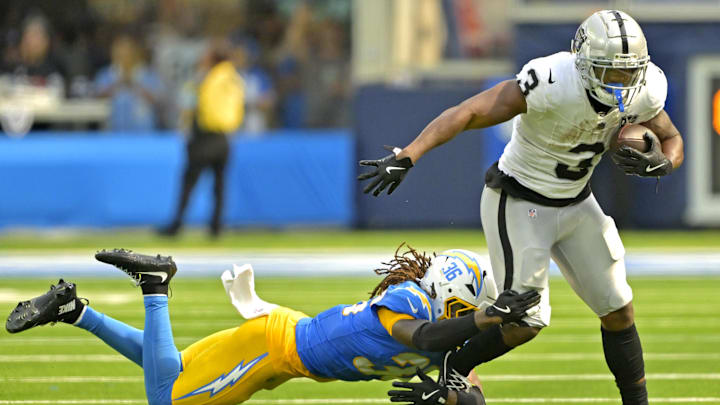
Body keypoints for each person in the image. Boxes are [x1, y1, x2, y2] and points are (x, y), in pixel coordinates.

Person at [358, 10, 684, 405]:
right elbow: (469, 112)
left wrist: (664, 162)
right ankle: (453, 370)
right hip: (519, 199)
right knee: (524, 320)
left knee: (618, 309)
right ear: (583, 64)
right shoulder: (550, 81)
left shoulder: (645, 89)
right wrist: (408, 155)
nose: (621, 85)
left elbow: (672, 139)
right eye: (610, 73)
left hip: (577, 200)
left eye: (628, 74)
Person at [5, 246, 541, 405]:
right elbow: (423, 338)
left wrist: (455, 398)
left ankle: (73, 310)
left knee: (177, 367)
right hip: (274, 348)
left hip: (283, 350)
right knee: (167, 398)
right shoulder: (409, 305)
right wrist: (484, 318)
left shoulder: (450, 334)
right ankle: (154, 285)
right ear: (455, 298)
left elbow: (470, 383)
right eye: (473, 306)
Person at [159, 41, 245, 237]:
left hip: (204, 135)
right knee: (219, 185)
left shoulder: (208, 77)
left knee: (189, 181)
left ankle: (176, 224)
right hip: (225, 137)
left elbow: (192, 103)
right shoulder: (234, 79)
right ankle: (216, 227)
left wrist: (185, 125)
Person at [94, 34, 164, 132]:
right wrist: (118, 83)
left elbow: (158, 101)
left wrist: (135, 84)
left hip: (144, 132)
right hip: (113, 132)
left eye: (128, 52)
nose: (125, 56)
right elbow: (97, 97)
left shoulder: (148, 74)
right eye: (121, 52)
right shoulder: (106, 74)